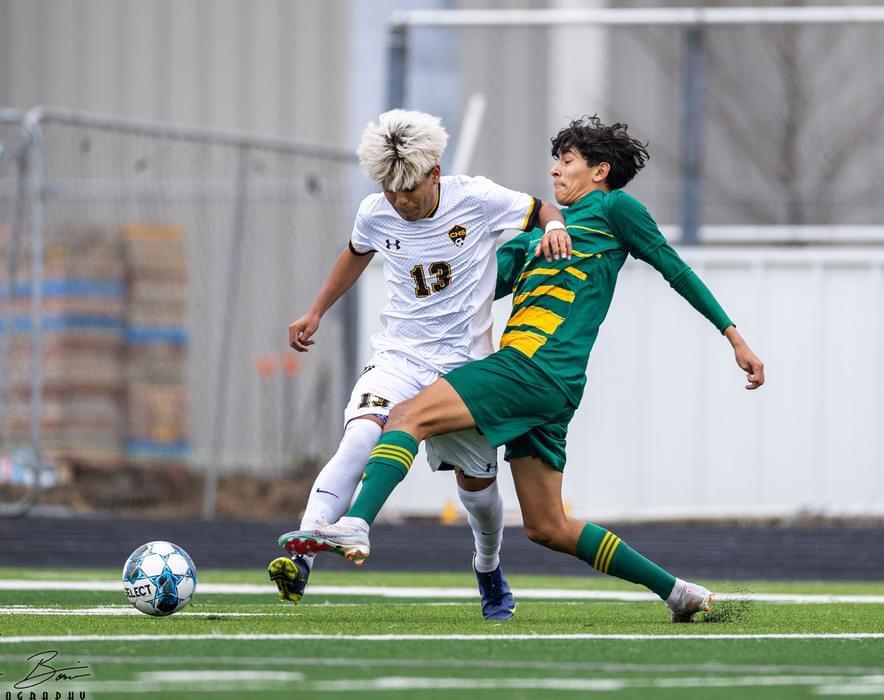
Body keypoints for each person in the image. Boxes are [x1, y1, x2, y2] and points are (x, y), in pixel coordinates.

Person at [279, 115, 766, 623]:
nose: (555, 170)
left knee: (404, 418)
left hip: (531, 370)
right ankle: (679, 593)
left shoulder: (615, 209)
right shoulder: (526, 243)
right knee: (548, 526)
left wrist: (733, 336)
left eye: (567, 161)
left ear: (600, 171)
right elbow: (466, 291)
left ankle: (356, 523)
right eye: (555, 160)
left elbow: (675, 269)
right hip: (545, 387)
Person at [268, 109, 571, 620]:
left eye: (409, 189)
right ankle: (300, 558)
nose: (400, 201)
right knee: (361, 435)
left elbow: (540, 208)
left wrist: (557, 225)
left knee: (476, 492)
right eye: (390, 191)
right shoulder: (376, 209)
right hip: (399, 356)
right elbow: (355, 252)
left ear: (435, 173)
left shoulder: (475, 198)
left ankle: (488, 567)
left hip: (464, 371)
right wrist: (316, 309)